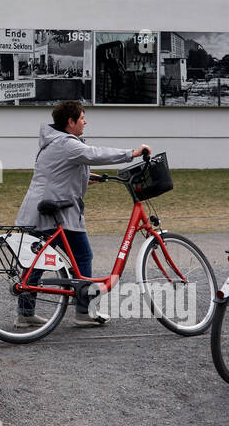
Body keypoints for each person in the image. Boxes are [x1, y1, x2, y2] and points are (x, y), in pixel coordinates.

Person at [14, 100, 151, 326]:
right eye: (82, 118)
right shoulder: (67, 144)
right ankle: (84, 311)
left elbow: (59, 171)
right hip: (56, 212)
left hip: (40, 209)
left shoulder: (54, 141)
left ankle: (25, 314)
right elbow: (94, 154)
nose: (85, 122)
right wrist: (132, 153)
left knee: (35, 262)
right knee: (82, 256)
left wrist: (86, 177)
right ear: (70, 121)